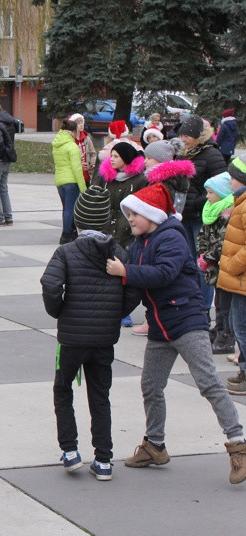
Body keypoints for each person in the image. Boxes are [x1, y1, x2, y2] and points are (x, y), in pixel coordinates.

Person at [106, 183, 246, 485]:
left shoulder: (171, 237)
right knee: (151, 386)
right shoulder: (141, 241)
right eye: (127, 215)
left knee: (208, 383)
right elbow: (133, 282)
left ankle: (239, 445)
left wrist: (125, 272)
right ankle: (155, 445)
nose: (129, 219)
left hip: (186, 321)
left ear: (151, 214)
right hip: (161, 325)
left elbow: (163, 274)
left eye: (134, 215)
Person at [41, 186, 140, 481]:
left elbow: (50, 284)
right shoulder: (118, 252)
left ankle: (70, 451)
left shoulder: (67, 251)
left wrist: (58, 311)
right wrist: (117, 312)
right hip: (103, 340)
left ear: (78, 221)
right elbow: (133, 286)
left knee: (63, 390)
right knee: (100, 395)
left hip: (71, 339)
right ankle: (104, 459)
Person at [131, 138, 193, 336]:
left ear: (160, 160)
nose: (146, 161)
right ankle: (152, 318)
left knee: (156, 269)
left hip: (160, 229)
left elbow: (165, 207)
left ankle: (152, 319)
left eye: (149, 158)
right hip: (162, 228)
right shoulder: (164, 178)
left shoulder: (164, 181)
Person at [179, 114, 228, 315]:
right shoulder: (185, 153)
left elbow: (222, 187)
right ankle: (194, 304)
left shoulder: (212, 154)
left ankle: (203, 309)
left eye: (187, 135)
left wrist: (199, 203)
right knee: (190, 263)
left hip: (203, 217)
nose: (183, 139)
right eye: (182, 135)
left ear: (198, 135)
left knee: (203, 265)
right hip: (186, 216)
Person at [197, 172, 236, 354]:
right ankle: (219, 328)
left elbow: (223, 241)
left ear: (221, 193)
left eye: (211, 193)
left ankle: (226, 335)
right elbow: (203, 235)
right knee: (218, 301)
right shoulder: (210, 210)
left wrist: (208, 257)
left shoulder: (226, 213)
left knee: (226, 304)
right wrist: (202, 253)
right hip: (214, 266)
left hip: (225, 266)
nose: (207, 196)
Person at [219, 157, 246, 395]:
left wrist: (232, 267)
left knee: (242, 328)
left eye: (233, 178)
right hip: (240, 280)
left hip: (242, 278)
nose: (230, 182)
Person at [92, 142, 148, 249]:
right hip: (106, 223)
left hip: (127, 225)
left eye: (116, 156)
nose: (111, 159)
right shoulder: (105, 177)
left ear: (126, 158)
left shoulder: (140, 180)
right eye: (111, 156)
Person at [52, 119, 86, 245]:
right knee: (70, 208)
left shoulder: (57, 144)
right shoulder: (72, 147)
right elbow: (77, 169)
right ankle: (66, 234)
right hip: (71, 181)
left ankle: (71, 232)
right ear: (73, 132)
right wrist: (83, 188)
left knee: (66, 208)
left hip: (60, 180)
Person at [67, 113, 97, 186]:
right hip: (74, 174)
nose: (81, 124)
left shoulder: (86, 138)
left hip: (86, 174)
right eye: (78, 123)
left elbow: (93, 153)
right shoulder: (69, 139)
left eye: (82, 122)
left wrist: (92, 163)